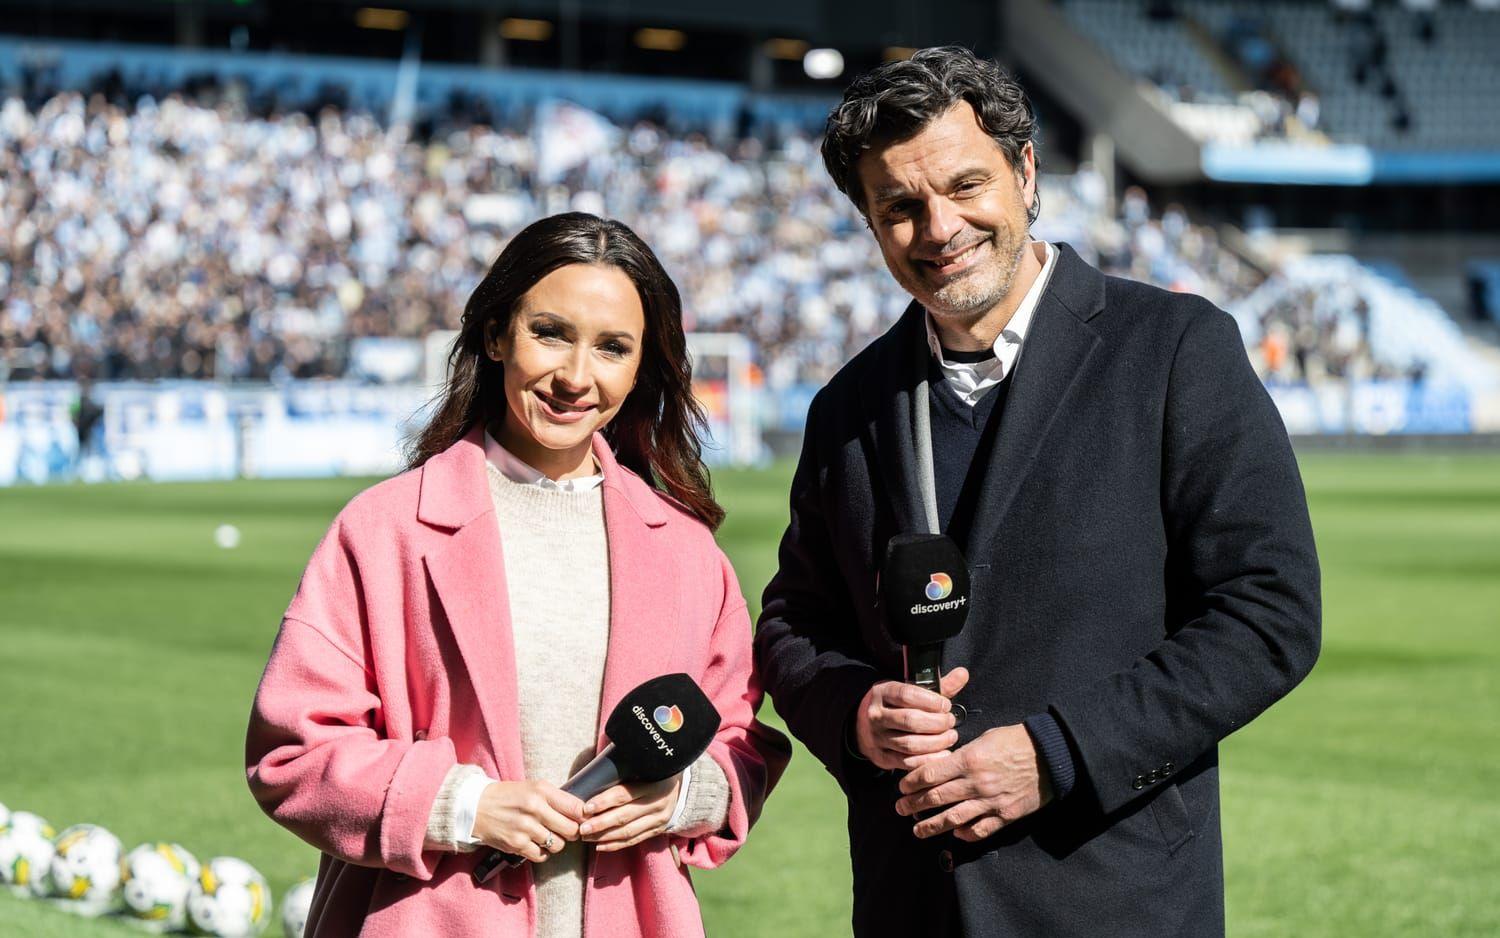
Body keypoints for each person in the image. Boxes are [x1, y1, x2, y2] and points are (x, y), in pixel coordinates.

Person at [754, 47, 1320, 937]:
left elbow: (1268, 613)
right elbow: (795, 624)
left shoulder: (1174, 349)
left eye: (965, 185)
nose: (939, 228)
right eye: (900, 207)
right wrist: (857, 712)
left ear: (1025, 173)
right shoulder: (848, 407)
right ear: (869, 223)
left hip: (1114, 901)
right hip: (913, 908)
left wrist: (1058, 753)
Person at [246, 212, 790, 938]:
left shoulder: (689, 553)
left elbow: (740, 741)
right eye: (551, 333)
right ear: (497, 334)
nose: (576, 376)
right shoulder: (383, 530)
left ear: (641, 367)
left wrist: (685, 794)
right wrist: (460, 806)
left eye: (612, 348)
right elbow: (293, 752)